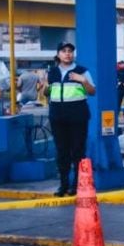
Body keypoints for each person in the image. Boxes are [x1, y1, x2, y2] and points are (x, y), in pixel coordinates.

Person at [38, 42, 95, 196]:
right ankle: (63, 185)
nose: (67, 54)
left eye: (70, 51)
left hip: (78, 115)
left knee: (77, 151)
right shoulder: (53, 72)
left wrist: (82, 80)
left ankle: (76, 185)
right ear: (58, 54)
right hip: (58, 116)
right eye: (64, 51)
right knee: (62, 151)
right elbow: (47, 93)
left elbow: (92, 91)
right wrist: (44, 85)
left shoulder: (82, 71)